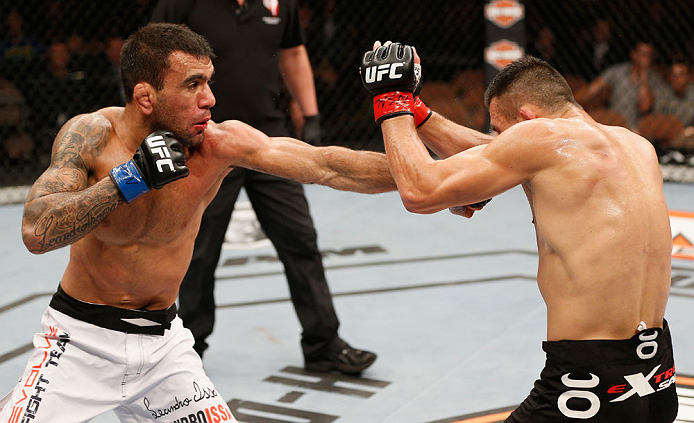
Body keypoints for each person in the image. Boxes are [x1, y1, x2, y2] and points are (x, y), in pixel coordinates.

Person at [0, 22, 407, 422]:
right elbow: (36, 231)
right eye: (193, 85)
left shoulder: (217, 144)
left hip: (164, 349)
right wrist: (128, 181)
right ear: (145, 97)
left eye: (209, 82)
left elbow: (329, 166)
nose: (210, 99)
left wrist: (432, 178)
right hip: (79, 342)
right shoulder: (91, 135)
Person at [360, 42, 678, 422]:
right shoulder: (635, 146)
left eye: (501, 131)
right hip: (655, 375)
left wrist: (391, 100)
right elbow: (492, 153)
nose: (499, 142)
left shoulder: (539, 138)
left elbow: (419, 191)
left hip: (585, 389)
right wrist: (419, 111)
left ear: (528, 118)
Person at [150, 0, 376, 374]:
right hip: (206, 142)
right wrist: (163, 129)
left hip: (267, 141)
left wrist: (310, 114)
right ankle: (186, 350)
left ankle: (323, 342)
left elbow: (292, 51)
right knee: (198, 251)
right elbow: (150, 64)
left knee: (301, 239)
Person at [575, 40, 665, 130]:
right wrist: (571, 102)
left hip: (637, 127)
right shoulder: (617, 71)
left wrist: (644, 74)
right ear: (633, 54)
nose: (644, 58)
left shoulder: (655, 80)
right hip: (614, 121)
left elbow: (644, 107)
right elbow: (592, 89)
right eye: (642, 53)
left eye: (648, 55)